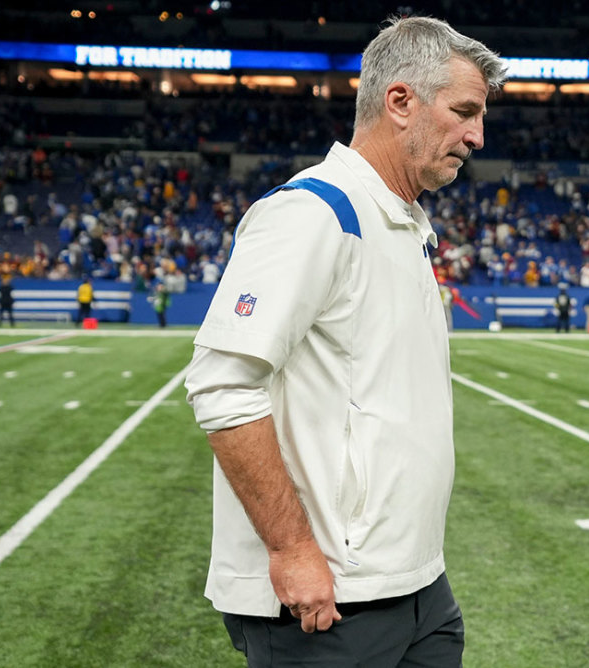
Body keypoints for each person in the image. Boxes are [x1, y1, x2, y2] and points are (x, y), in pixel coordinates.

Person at [183, 17, 505, 667]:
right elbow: (221, 384)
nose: (477, 135)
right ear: (400, 101)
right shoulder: (314, 213)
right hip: (330, 601)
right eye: (465, 111)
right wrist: (292, 550)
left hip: (417, 586)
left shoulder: (405, 223)